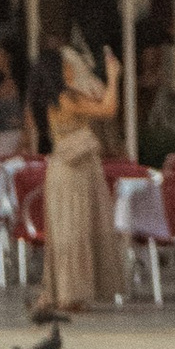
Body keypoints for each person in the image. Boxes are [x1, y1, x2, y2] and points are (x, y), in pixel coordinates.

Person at [37, 37, 124, 311]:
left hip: (70, 166)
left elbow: (99, 97)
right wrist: (113, 77)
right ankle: (70, 294)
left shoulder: (59, 96)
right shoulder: (66, 98)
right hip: (73, 169)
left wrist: (97, 78)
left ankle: (67, 291)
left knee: (72, 231)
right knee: (74, 231)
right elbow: (108, 109)